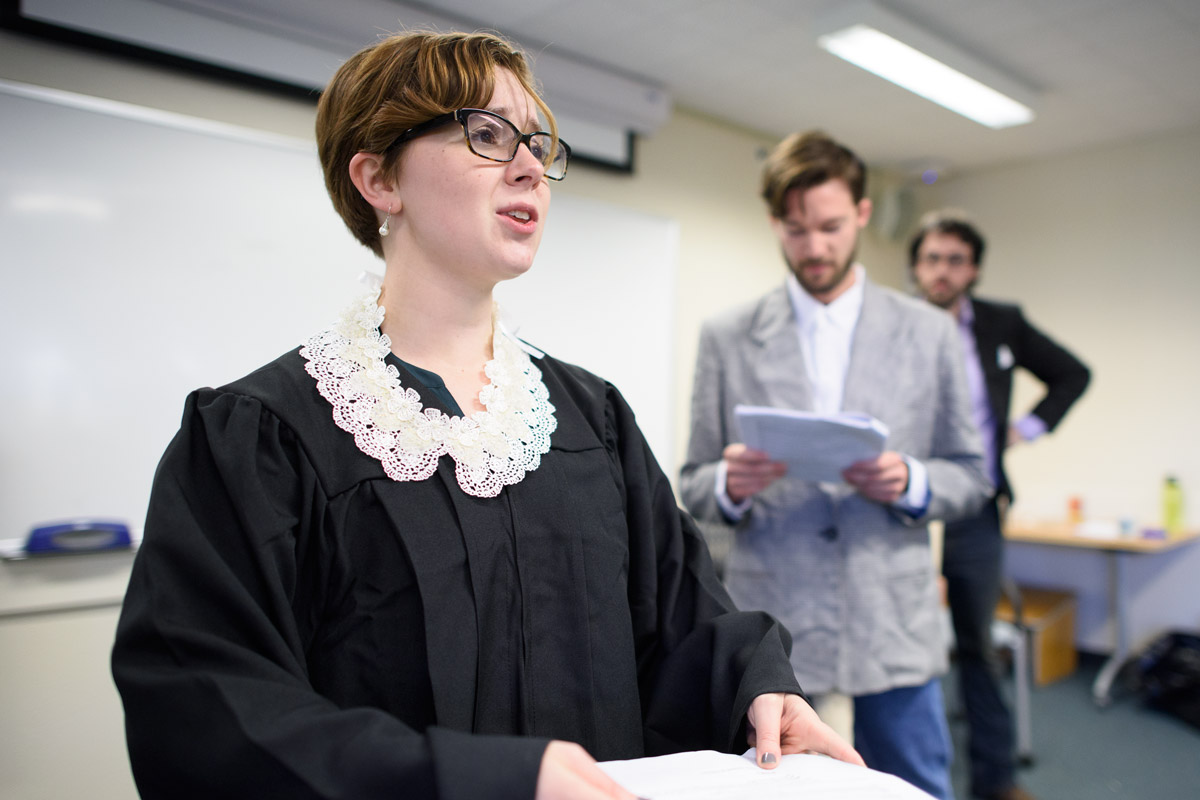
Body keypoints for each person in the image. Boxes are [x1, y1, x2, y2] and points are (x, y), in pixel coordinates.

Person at [108, 30, 862, 800]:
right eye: (488, 134)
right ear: (378, 177)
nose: (532, 166)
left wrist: (757, 689)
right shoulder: (259, 438)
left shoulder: (589, 420)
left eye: (537, 142)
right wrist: (473, 779)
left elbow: (685, 616)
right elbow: (208, 709)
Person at [679, 130, 992, 800]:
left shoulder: (930, 332)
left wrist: (914, 482)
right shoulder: (727, 335)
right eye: (795, 230)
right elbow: (693, 481)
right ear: (774, 224)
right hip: (775, 614)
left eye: (829, 226)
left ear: (863, 214)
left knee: (916, 784)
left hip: (892, 610)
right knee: (770, 787)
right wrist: (729, 487)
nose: (814, 248)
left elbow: (972, 474)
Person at [910, 209, 1090, 800]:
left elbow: (1072, 373)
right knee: (901, 644)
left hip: (978, 508)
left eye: (955, 260)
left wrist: (1028, 428)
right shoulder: (894, 325)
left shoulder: (1001, 323)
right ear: (916, 266)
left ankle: (996, 778)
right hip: (904, 506)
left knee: (976, 644)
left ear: (975, 270)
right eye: (932, 258)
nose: (942, 271)